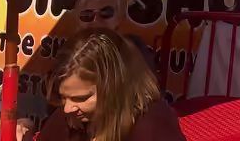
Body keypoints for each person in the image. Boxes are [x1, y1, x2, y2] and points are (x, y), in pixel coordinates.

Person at [37, 29, 187, 141]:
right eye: (64, 97)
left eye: (81, 98)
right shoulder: (66, 118)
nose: (67, 108)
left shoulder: (154, 124)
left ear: (114, 88)